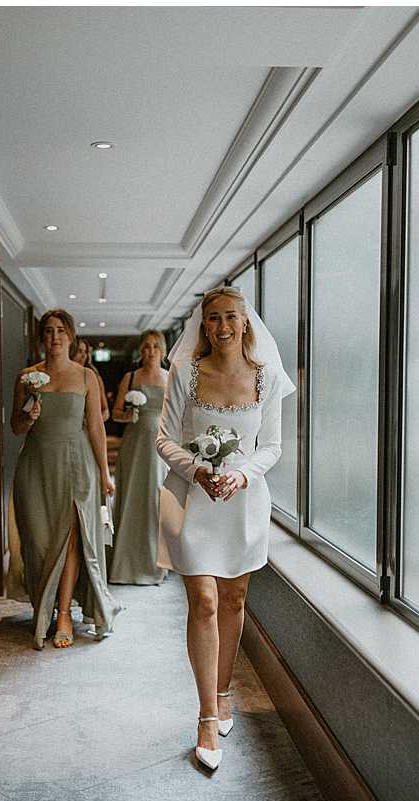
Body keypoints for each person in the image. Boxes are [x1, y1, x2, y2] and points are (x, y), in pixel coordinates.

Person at [156, 285, 296, 772]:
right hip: (193, 500)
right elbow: (164, 439)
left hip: (244, 501)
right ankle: (206, 717)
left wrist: (241, 475)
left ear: (245, 322)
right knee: (204, 600)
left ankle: (222, 689)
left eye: (230, 317)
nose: (222, 326)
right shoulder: (186, 373)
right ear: (204, 324)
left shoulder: (266, 376)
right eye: (213, 318)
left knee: (234, 600)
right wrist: (198, 470)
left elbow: (272, 445)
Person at [10, 309, 121, 650]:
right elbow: (15, 427)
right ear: (41, 337)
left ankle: (63, 615)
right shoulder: (26, 377)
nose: (54, 336)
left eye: (60, 330)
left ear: (71, 336)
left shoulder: (86, 377)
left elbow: (96, 427)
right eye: (48, 331)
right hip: (35, 467)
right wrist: (28, 418)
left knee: (71, 541)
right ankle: (42, 609)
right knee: (39, 543)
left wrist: (104, 473)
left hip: (76, 465)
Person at [107, 330, 170, 585]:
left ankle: (154, 566)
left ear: (162, 350)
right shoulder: (130, 377)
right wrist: (127, 414)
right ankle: (125, 565)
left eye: (155, 346)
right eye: (146, 346)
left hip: (159, 447)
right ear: (140, 350)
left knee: (155, 499)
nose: (150, 351)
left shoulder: (169, 377)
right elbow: (115, 413)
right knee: (132, 497)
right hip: (134, 443)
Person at [73, 338, 111, 422]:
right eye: (79, 351)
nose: (83, 356)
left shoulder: (94, 377)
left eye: (86, 352)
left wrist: (93, 423)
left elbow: (105, 411)